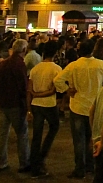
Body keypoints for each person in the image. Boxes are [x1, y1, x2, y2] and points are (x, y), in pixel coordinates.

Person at [54, 39, 103, 179]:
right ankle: (91, 166)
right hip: (95, 106)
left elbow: (57, 80)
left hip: (78, 106)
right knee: (92, 138)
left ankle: (79, 168)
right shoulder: (100, 65)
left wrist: (67, 90)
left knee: (79, 140)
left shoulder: (73, 66)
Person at [0, 39, 30, 172]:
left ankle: (1, 161)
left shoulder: (4, 63)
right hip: (15, 103)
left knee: (3, 133)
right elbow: (23, 86)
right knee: (22, 134)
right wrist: (26, 105)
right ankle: (24, 162)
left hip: (3, 102)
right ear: (24, 50)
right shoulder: (19, 64)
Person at [28, 40, 62, 179]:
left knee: (37, 134)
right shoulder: (56, 69)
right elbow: (54, 90)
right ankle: (42, 156)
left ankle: (34, 163)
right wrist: (42, 94)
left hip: (36, 104)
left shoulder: (35, 69)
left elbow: (29, 87)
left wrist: (34, 97)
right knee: (54, 127)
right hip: (48, 103)